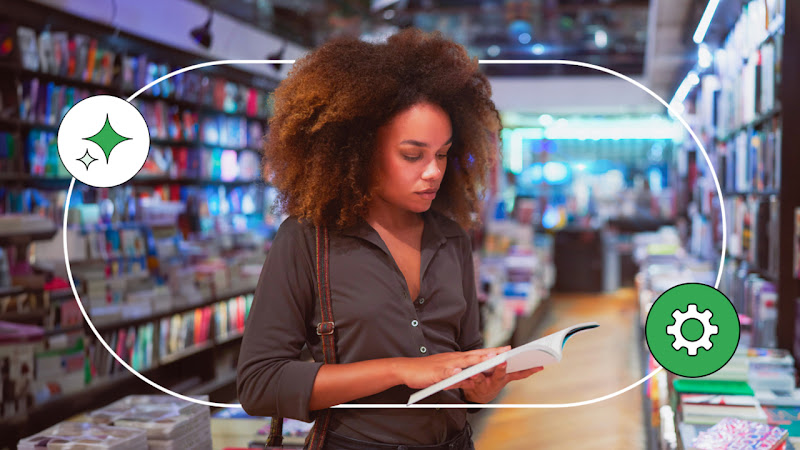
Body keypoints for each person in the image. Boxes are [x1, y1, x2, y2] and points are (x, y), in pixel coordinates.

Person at [237, 28, 543, 450]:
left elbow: (461, 363)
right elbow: (260, 383)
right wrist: (400, 369)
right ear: (358, 151)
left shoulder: (452, 239)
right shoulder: (308, 241)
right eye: (412, 154)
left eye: (442, 154)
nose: (433, 171)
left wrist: (480, 389)